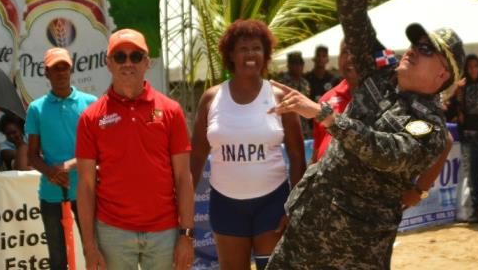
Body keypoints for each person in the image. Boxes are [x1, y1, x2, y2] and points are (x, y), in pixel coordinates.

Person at [265, 0, 460, 270]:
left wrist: (326, 115)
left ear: (442, 76)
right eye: (416, 42)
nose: (413, 49)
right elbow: (354, 19)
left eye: (427, 49)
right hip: (308, 226)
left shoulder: (429, 126)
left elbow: (385, 151)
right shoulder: (382, 72)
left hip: (354, 250)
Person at [189, 19, 306, 270]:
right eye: (243, 49)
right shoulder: (211, 98)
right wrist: (185, 205)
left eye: (257, 48)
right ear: (231, 54)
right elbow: (197, 155)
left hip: (273, 204)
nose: (251, 54)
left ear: (266, 54)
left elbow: (297, 156)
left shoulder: (280, 96)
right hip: (225, 205)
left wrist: (294, 205)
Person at [76, 29, 195, 270]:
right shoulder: (90, 117)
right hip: (112, 231)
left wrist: (187, 235)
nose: (128, 63)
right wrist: (89, 247)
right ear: (108, 63)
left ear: (147, 62)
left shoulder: (171, 111)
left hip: (165, 231)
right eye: (120, 57)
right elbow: (86, 186)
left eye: (136, 56)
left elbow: (183, 177)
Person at [312, 41, 455, 208]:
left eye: (354, 52)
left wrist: (419, 190)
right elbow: (317, 152)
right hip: (326, 198)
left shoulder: (386, 94)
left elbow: (446, 139)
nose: (349, 58)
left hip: (368, 210)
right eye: (344, 52)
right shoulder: (326, 99)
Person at [26, 47, 97, 269]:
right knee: (57, 259)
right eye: (55, 68)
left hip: (87, 191)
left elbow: (101, 149)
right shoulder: (36, 108)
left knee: (94, 251)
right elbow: (32, 155)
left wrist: (69, 165)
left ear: (71, 69)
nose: (61, 72)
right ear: (46, 73)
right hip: (51, 193)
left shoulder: (91, 103)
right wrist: (51, 172)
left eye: (64, 67)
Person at [449, 54, 478, 222]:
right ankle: (476, 210)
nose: (473, 69)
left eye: (476, 66)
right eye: (470, 67)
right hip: (467, 137)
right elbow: (450, 108)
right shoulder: (461, 87)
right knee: (472, 176)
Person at [276, 51, 313, 139]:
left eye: (300, 63)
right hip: (287, 130)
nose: (297, 66)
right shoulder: (282, 83)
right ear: (288, 65)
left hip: (304, 130)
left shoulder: (305, 83)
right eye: (294, 63)